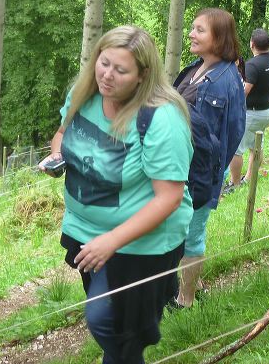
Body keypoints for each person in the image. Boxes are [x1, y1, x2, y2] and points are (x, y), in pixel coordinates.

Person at [39, 26, 193, 364]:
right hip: (86, 233)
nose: (107, 76)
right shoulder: (84, 94)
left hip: (142, 246)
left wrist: (111, 241)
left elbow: (169, 197)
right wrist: (58, 155)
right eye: (104, 63)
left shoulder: (161, 119)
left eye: (120, 70)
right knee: (118, 332)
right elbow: (62, 133)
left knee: (107, 322)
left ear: (143, 75)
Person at [172, 8, 245, 307]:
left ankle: (186, 299)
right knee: (182, 229)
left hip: (201, 172)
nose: (191, 34)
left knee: (192, 234)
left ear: (219, 37)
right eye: (192, 28)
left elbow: (235, 131)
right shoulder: (195, 68)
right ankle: (195, 284)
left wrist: (215, 171)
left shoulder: (226, 80)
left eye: (199, 30)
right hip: (183, 165)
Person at [225, 28, 269, 190]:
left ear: (252, 44)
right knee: (257, 146)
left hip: (252, 114)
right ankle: (249, 178)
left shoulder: (252, 65)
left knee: (236, 149)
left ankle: (234, 184)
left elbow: (244, 92)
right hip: (267, 112)